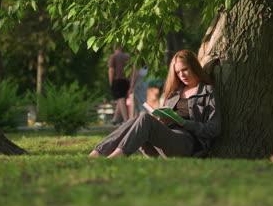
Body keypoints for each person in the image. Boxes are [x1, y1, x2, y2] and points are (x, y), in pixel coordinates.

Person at [88, 49, 221, 158]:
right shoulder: (174, 93)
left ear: (194, 67)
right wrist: (161, 120)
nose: (182, 75)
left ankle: (118, 156)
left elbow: (214, 129)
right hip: (163, 141)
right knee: (137, 119)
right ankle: (97, 152)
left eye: (185, 69)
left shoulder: (207, 92)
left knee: (145, 118)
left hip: (188, 144)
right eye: (178, 72)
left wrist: (184, 123)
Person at [108, 46, 130, 124]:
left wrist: (111, 82)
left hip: (117, 80)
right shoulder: (127, 57)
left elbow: (111, 70)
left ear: (115, 47)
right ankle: (115, 119)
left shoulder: (113, 56)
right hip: (126, 80)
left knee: (120, 99)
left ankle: (126, 120)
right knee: (121, 99)